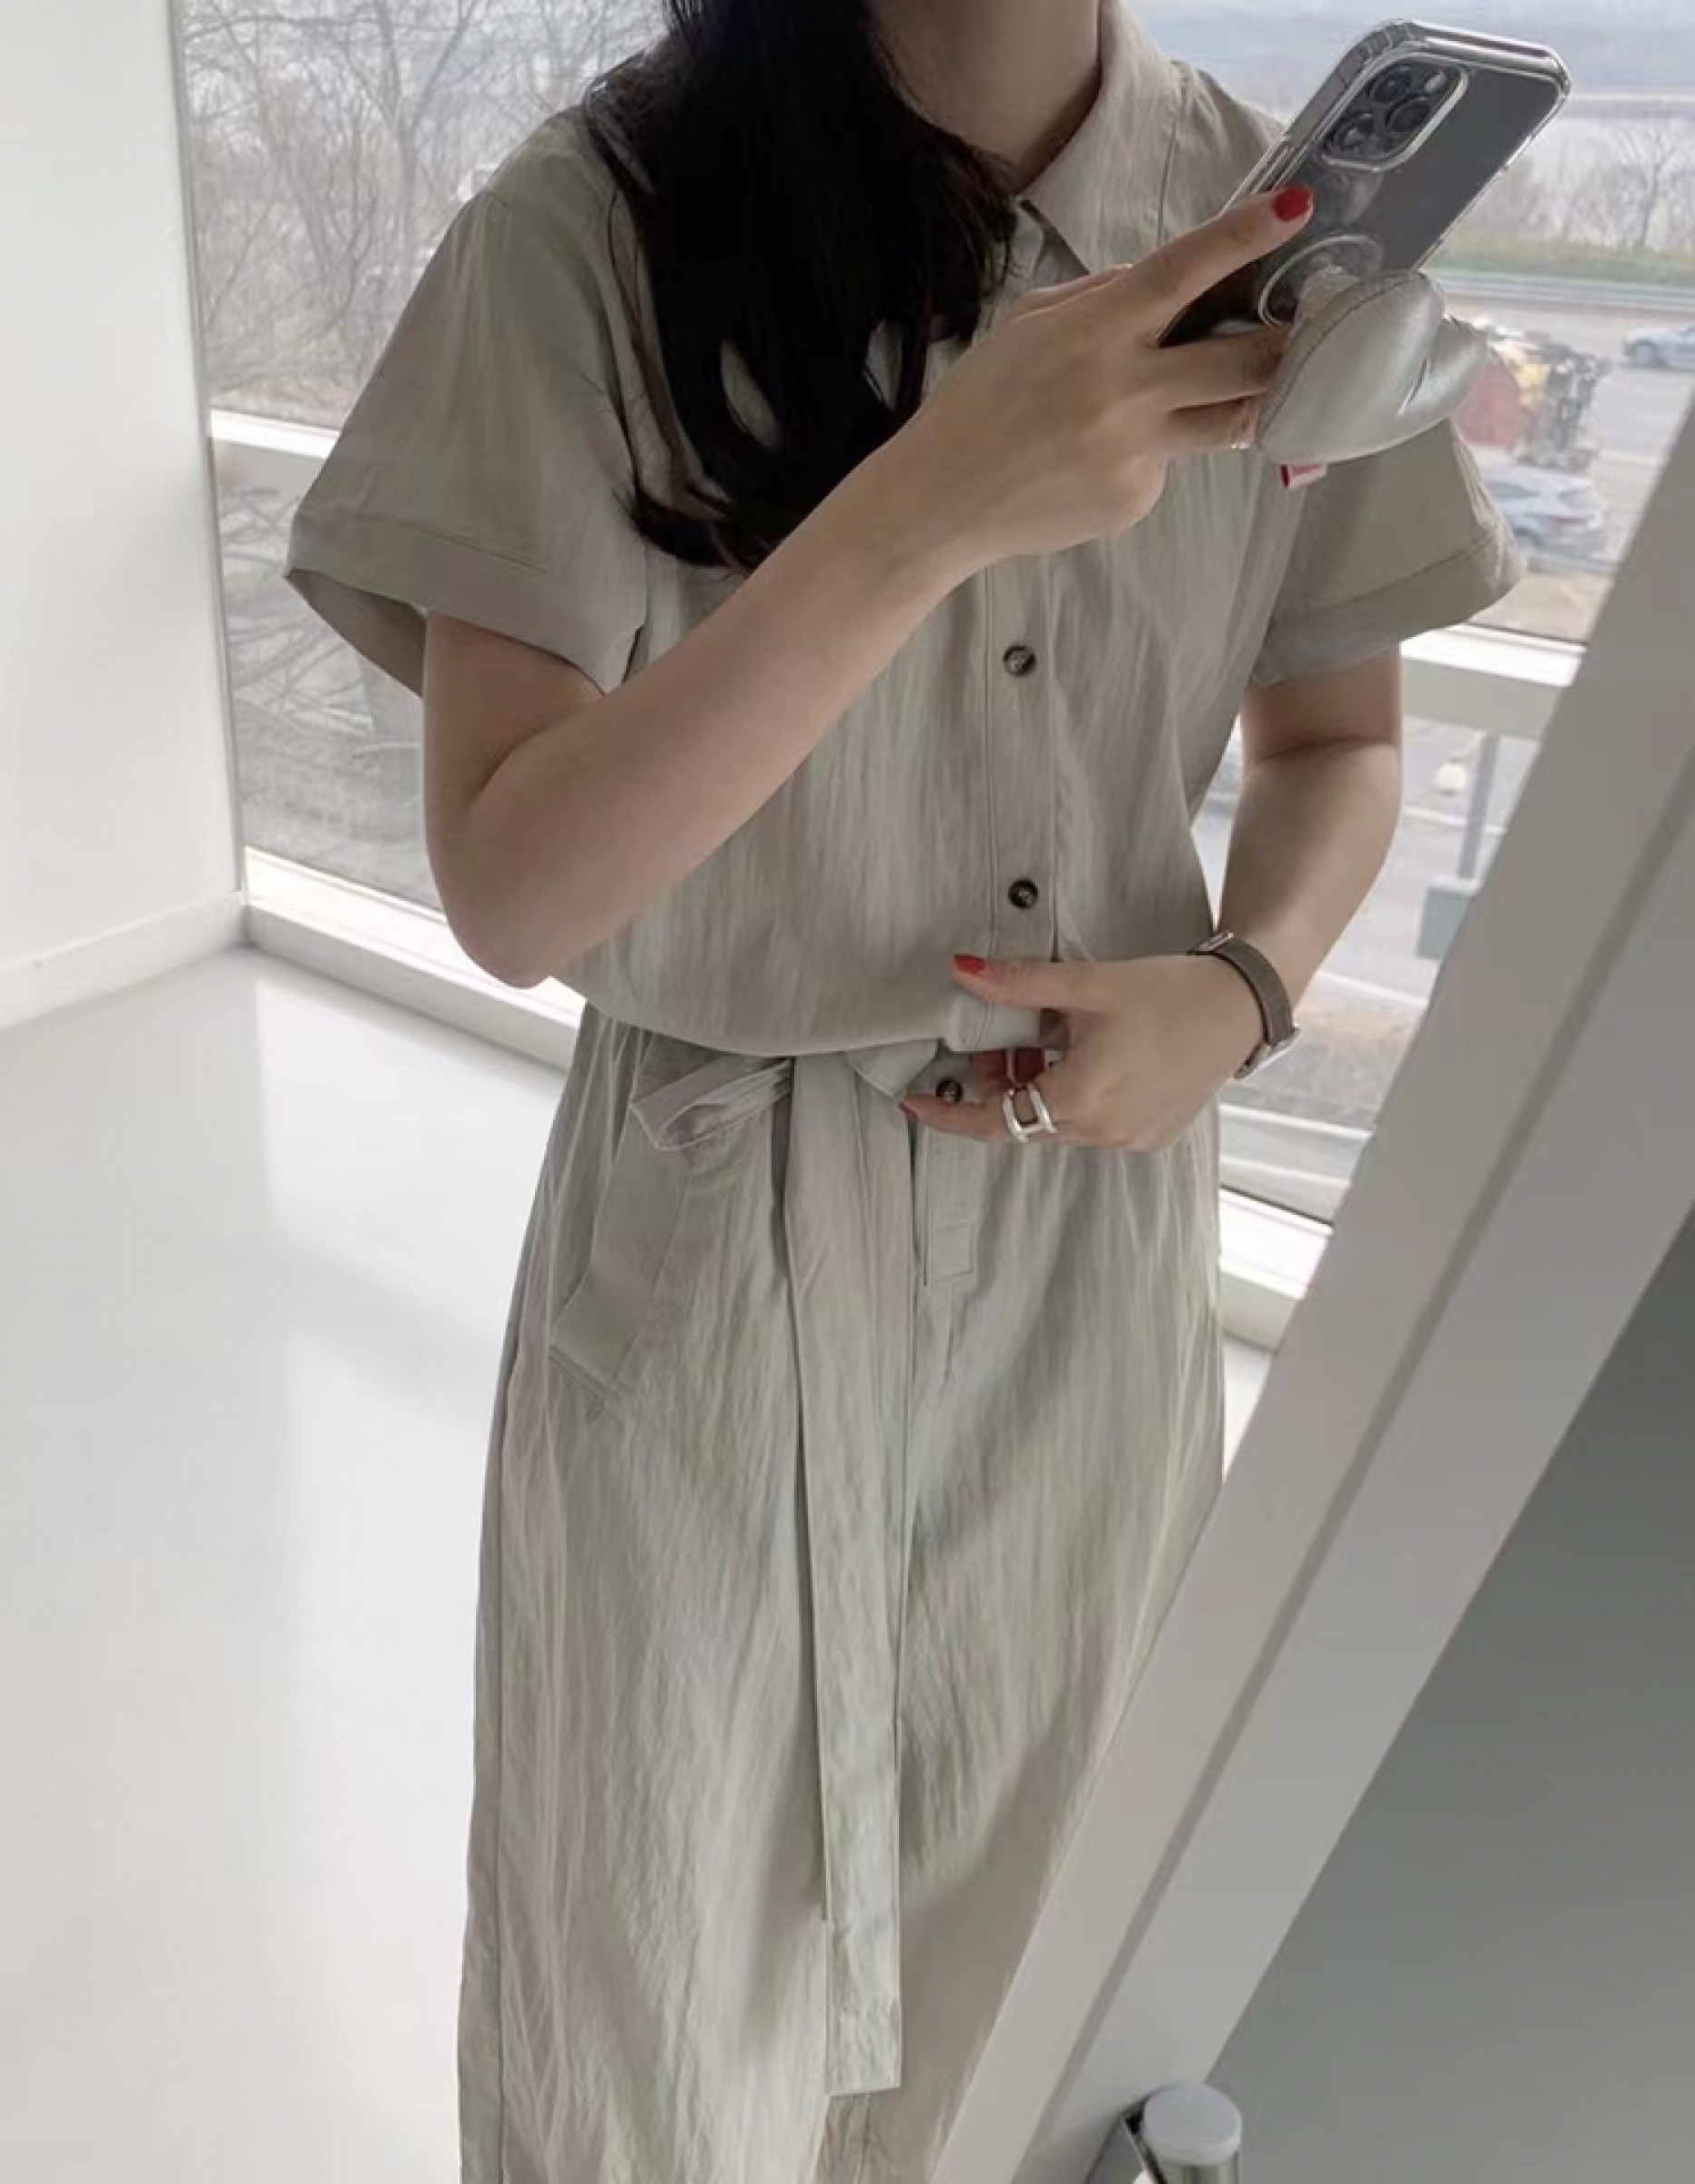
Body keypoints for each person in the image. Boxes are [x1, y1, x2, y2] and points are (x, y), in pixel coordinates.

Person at [284, 1, 1520, 2176]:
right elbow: (514, 883)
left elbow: (1337, 743)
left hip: (1093, 1269)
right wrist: (926, 507)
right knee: (635, 2020)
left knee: (1020, 1990)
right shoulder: (590, 228)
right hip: (711, 1253)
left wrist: (1241, 990)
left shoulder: (1283, 227)